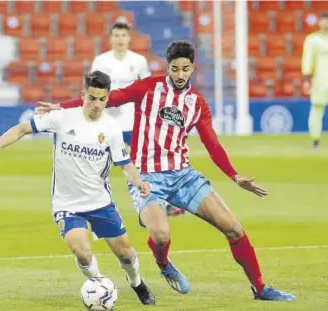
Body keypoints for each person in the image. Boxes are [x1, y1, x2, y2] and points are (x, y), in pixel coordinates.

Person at [36, 41, 295, 301]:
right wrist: (63, 107)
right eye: (174, 69)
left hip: (183, 176)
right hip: (146, 177)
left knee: (234, 229)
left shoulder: (198, 104)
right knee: (160, 235)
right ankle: (163, 264)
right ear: (167, 68)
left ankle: (260, 288)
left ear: (193, 67)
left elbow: (211, 143)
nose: (180, 75)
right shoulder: (149, 87)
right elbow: (111, 98)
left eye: (185, 69)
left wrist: (235, 175)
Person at [0, 71, 155, 305]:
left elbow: (125, 165)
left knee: (125, 253)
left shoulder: (111, 129)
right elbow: (21, 129)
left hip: (100, 202)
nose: (96, 104)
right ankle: (100, 286)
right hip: (67, 204)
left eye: (101, 99)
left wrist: (139, 182)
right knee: (82, 252)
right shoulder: (62, 118)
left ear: (108, 98)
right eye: (91, 98)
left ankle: (136, 283)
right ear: (83, 95)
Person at [92, 21, 184, 216]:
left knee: (141, 165)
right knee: (98, 167)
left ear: (129, 38)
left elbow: (149, 90)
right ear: (110, 39)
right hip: (107, 124)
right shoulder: (100, 62)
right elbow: (92, 90)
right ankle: (95, 207)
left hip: (134, 122)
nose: (120, 39)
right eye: (116, 36)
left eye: (123, 36)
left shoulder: (139, 61)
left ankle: (156, 202)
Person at [302, 11, 328, 150]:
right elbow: (307, 59)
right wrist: (307, 78)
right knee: (317, 109)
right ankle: (315, 140)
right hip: (320, 81)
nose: (325, 23)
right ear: (319, 22)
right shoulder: (312, 39)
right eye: (323, 20)